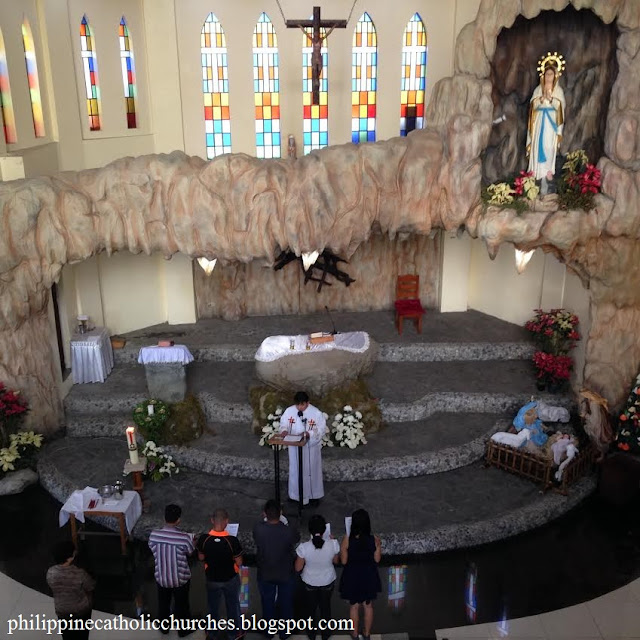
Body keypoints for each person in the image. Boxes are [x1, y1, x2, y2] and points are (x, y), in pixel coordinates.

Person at [253, 499, 300, 638]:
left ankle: (269, 630)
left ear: (264, 514)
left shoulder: (258, 528)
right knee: (286, 602)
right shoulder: (288, 530)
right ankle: (285, 632)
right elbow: (296, 538)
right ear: (280, 513)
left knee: (267, 602)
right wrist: (286, 522)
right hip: (285, 573)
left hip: (265, 573)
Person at [148, 504, 196, 638]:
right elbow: (190, 552)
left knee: (163, 603)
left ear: (164, 518)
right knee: (182, 605)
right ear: (178, 520)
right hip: (180, 580)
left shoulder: (154, 535)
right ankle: (183, 630)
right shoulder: (184, 538)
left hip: (162, 578)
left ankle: (164, 628)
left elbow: (152, 548)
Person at [196, 508, 244, 640]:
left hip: (212, 579)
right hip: (230, 579)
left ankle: (212, 633)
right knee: (232, 606)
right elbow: (239, 562)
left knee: (212, 607)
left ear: (212, 520)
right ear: (227, 522)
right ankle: (234, 633)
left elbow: (200, 557)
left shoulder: (204, 539)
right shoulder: (232, 541)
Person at [295, 514, 340, 640]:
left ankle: (311, 634)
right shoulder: (333, 544)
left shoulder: (304, 547)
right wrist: (333, 540)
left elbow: (298, 568)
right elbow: (336, 561)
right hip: (328, 581)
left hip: (309, 582)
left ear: (310, 530)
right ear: (324, 530)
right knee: (325, 607)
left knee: (310, 609)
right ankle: (326, 634)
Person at [339, 509, 382, 640]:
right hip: (368, 576)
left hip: (352, 576)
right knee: (368, 606)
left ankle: (354, 634)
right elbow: (377, 559)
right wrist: (379, 546)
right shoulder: (373, 539)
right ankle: (367, 633)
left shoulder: (348, 539)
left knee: (354, 607)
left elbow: (344, 561)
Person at [280, 391, 327, 505]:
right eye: (298, 404)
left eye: (302, 404)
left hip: (310, 450)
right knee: (296, 471)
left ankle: (313, 496)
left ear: (308, 402)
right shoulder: (289, 411)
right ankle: (295, 495)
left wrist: (309, 433)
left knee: (310, 471)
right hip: (295, 448)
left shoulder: (316, 413)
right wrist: (284, 430)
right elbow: (283, 424)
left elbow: (321, 429)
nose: (299, 407)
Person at [526, 58, 566, 184]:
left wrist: (551, 98)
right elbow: (533, 106)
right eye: (547, 74)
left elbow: (560, 107)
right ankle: (536, 172)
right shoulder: (538, 89)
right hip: (539, 123)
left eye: (551, 74)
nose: (548, 77)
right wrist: (541, 99)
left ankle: (548, 171)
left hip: (551, 124)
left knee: (549, 146)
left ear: (555, 76)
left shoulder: (558, 91)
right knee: (538, 145)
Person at [46, 541, 95, 639]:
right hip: (81, 611)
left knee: (67, 635)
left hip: (62, 610)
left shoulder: (51, 572)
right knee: (82, 635)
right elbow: (90, 586)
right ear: (69, 558)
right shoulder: (79, 574)